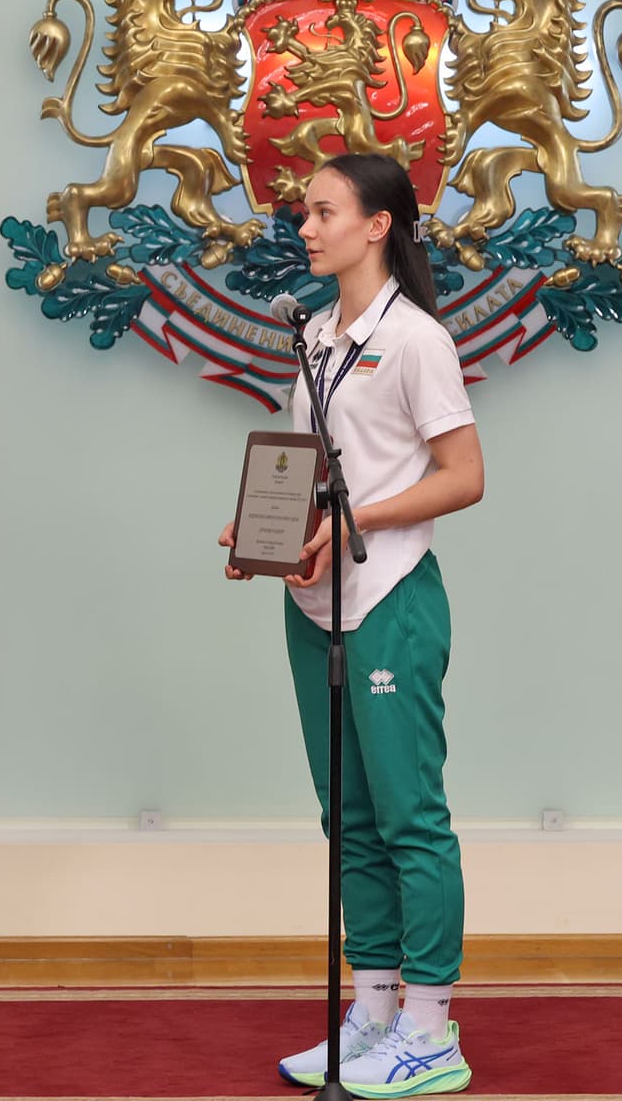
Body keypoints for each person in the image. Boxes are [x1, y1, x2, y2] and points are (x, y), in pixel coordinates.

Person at [219, 152, 485, 1097]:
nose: (306, 226)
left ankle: (430, 1026)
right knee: (350, 818)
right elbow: (314, 462)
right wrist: (268, 530)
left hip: (391, 597)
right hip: (313, 600)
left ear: (378, 225)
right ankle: (372, 1010)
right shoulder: (318, 334)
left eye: (324, 212)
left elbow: (464, 476)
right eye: (305, 213)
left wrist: (357, 524)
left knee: (412, 818)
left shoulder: (415, 339)